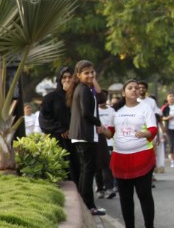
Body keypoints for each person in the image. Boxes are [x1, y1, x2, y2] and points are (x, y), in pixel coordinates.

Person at [109, 80, 157, 228]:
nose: (134, 90)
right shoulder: (115, 111)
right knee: (125, 196)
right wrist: (103, 131)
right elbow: (110, 132)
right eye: (130, 88)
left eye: (136, 88)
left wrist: (146, 134)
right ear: (123, 92)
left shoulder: (146, 108)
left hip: (142, 157)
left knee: (144, 194)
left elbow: (153, 129)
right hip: (120, 159)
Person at [68, 60, 107, 215]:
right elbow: (86, 113)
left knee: (87, 169)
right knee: (88, 170)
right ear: (78, 75)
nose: (90, 75)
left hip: (84, 134)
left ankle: (87, 204)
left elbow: (100, 97)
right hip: (84, 135)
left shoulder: (86, 89)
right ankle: (88, 205)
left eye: (92, 72)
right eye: (86, 73)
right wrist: (99, 123)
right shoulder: (83, 89)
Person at [40, 66, 76, 181]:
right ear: (59, 80)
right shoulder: (51, 98)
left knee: (77, 168)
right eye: (64, 77)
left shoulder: (79, 95)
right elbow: (44, 119)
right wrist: (61, 129)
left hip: (76, 139)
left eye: (70, 77)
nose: (67, 80)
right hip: (58, 139)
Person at [95, 90, 117, 200]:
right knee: (98, 167)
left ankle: (110, 188)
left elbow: (115, 126)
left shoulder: (112, 111)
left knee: (107, 166)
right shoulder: (95, 110)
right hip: (97, 141)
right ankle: (100, 188)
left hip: (109, 141)